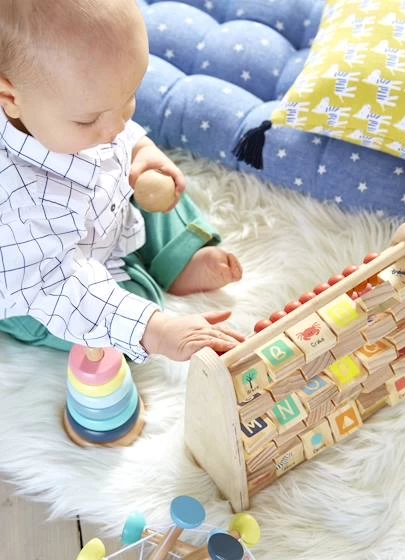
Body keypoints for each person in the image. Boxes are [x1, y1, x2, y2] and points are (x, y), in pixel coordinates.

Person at [0, 0, 244, 363]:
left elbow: (117, 129)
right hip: (43, 284)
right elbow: (58, 286)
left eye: (129, 96)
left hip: (104, 215)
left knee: (155, 184)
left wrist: (143, 150)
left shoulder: (68, 107)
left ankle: (180, 256)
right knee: (122, 329)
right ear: (10, 99)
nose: (117, 126)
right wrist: (154, 329)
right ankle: (152, 280)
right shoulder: (23, 201)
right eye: (89, 119)